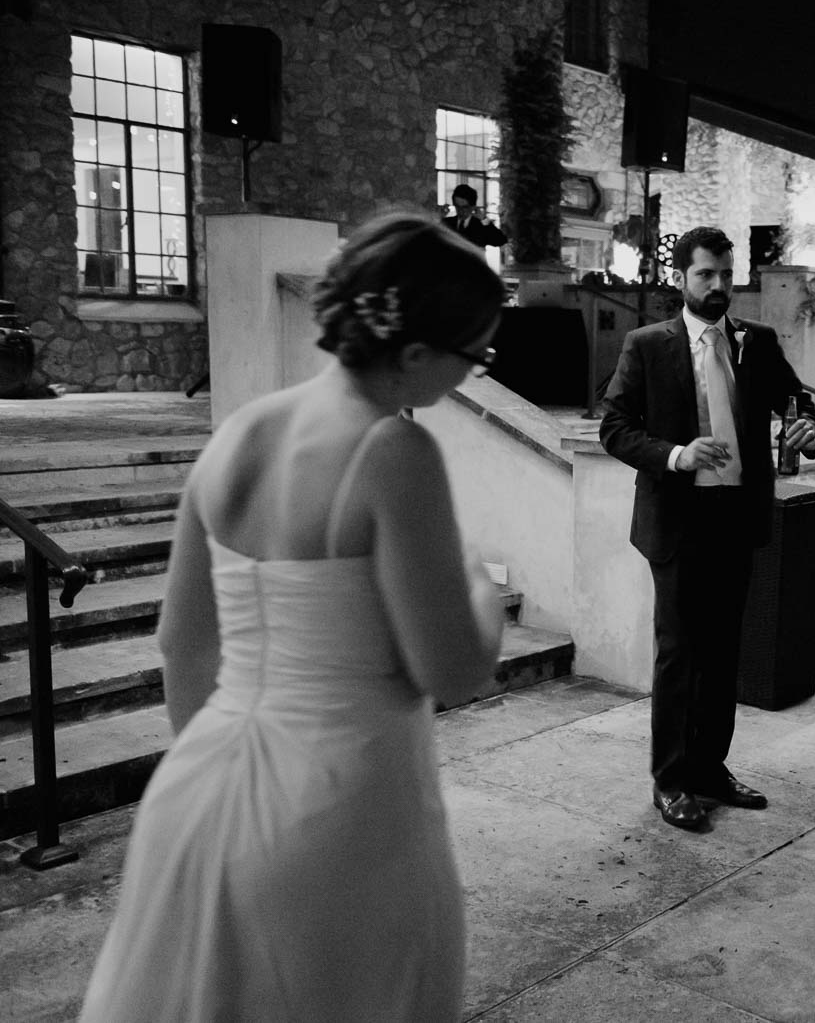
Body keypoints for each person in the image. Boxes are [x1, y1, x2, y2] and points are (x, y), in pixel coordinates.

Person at [79, 212, 507, 1022]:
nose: (469, 376)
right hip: (341, 811)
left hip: (198, 795)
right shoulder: (393, 450)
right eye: (473, 356)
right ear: (414, 353)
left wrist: (235, 787)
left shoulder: (238, 432)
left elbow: (181, 644)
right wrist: (477, 580)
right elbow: (452, 667)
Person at [599, 226, 815, 832]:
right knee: (679, 654)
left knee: (724, 652)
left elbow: (796, 402)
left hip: (736, 517)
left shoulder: (757, 342)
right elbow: (614, 428)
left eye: (726, 275)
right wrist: (677, 455)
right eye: (706, 275)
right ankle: (670, 781)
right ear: (681, 280)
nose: (719, 286)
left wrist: (807, 429)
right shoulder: (647, 345)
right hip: (677, 521)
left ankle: (710, 769)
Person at [441, 182, 507, 251]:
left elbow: (500, 240)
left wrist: (484, 219)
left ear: (473, 207)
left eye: (464, 207)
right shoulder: (446, 223)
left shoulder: (480, 226)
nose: (460, 211)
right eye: (457, 206)